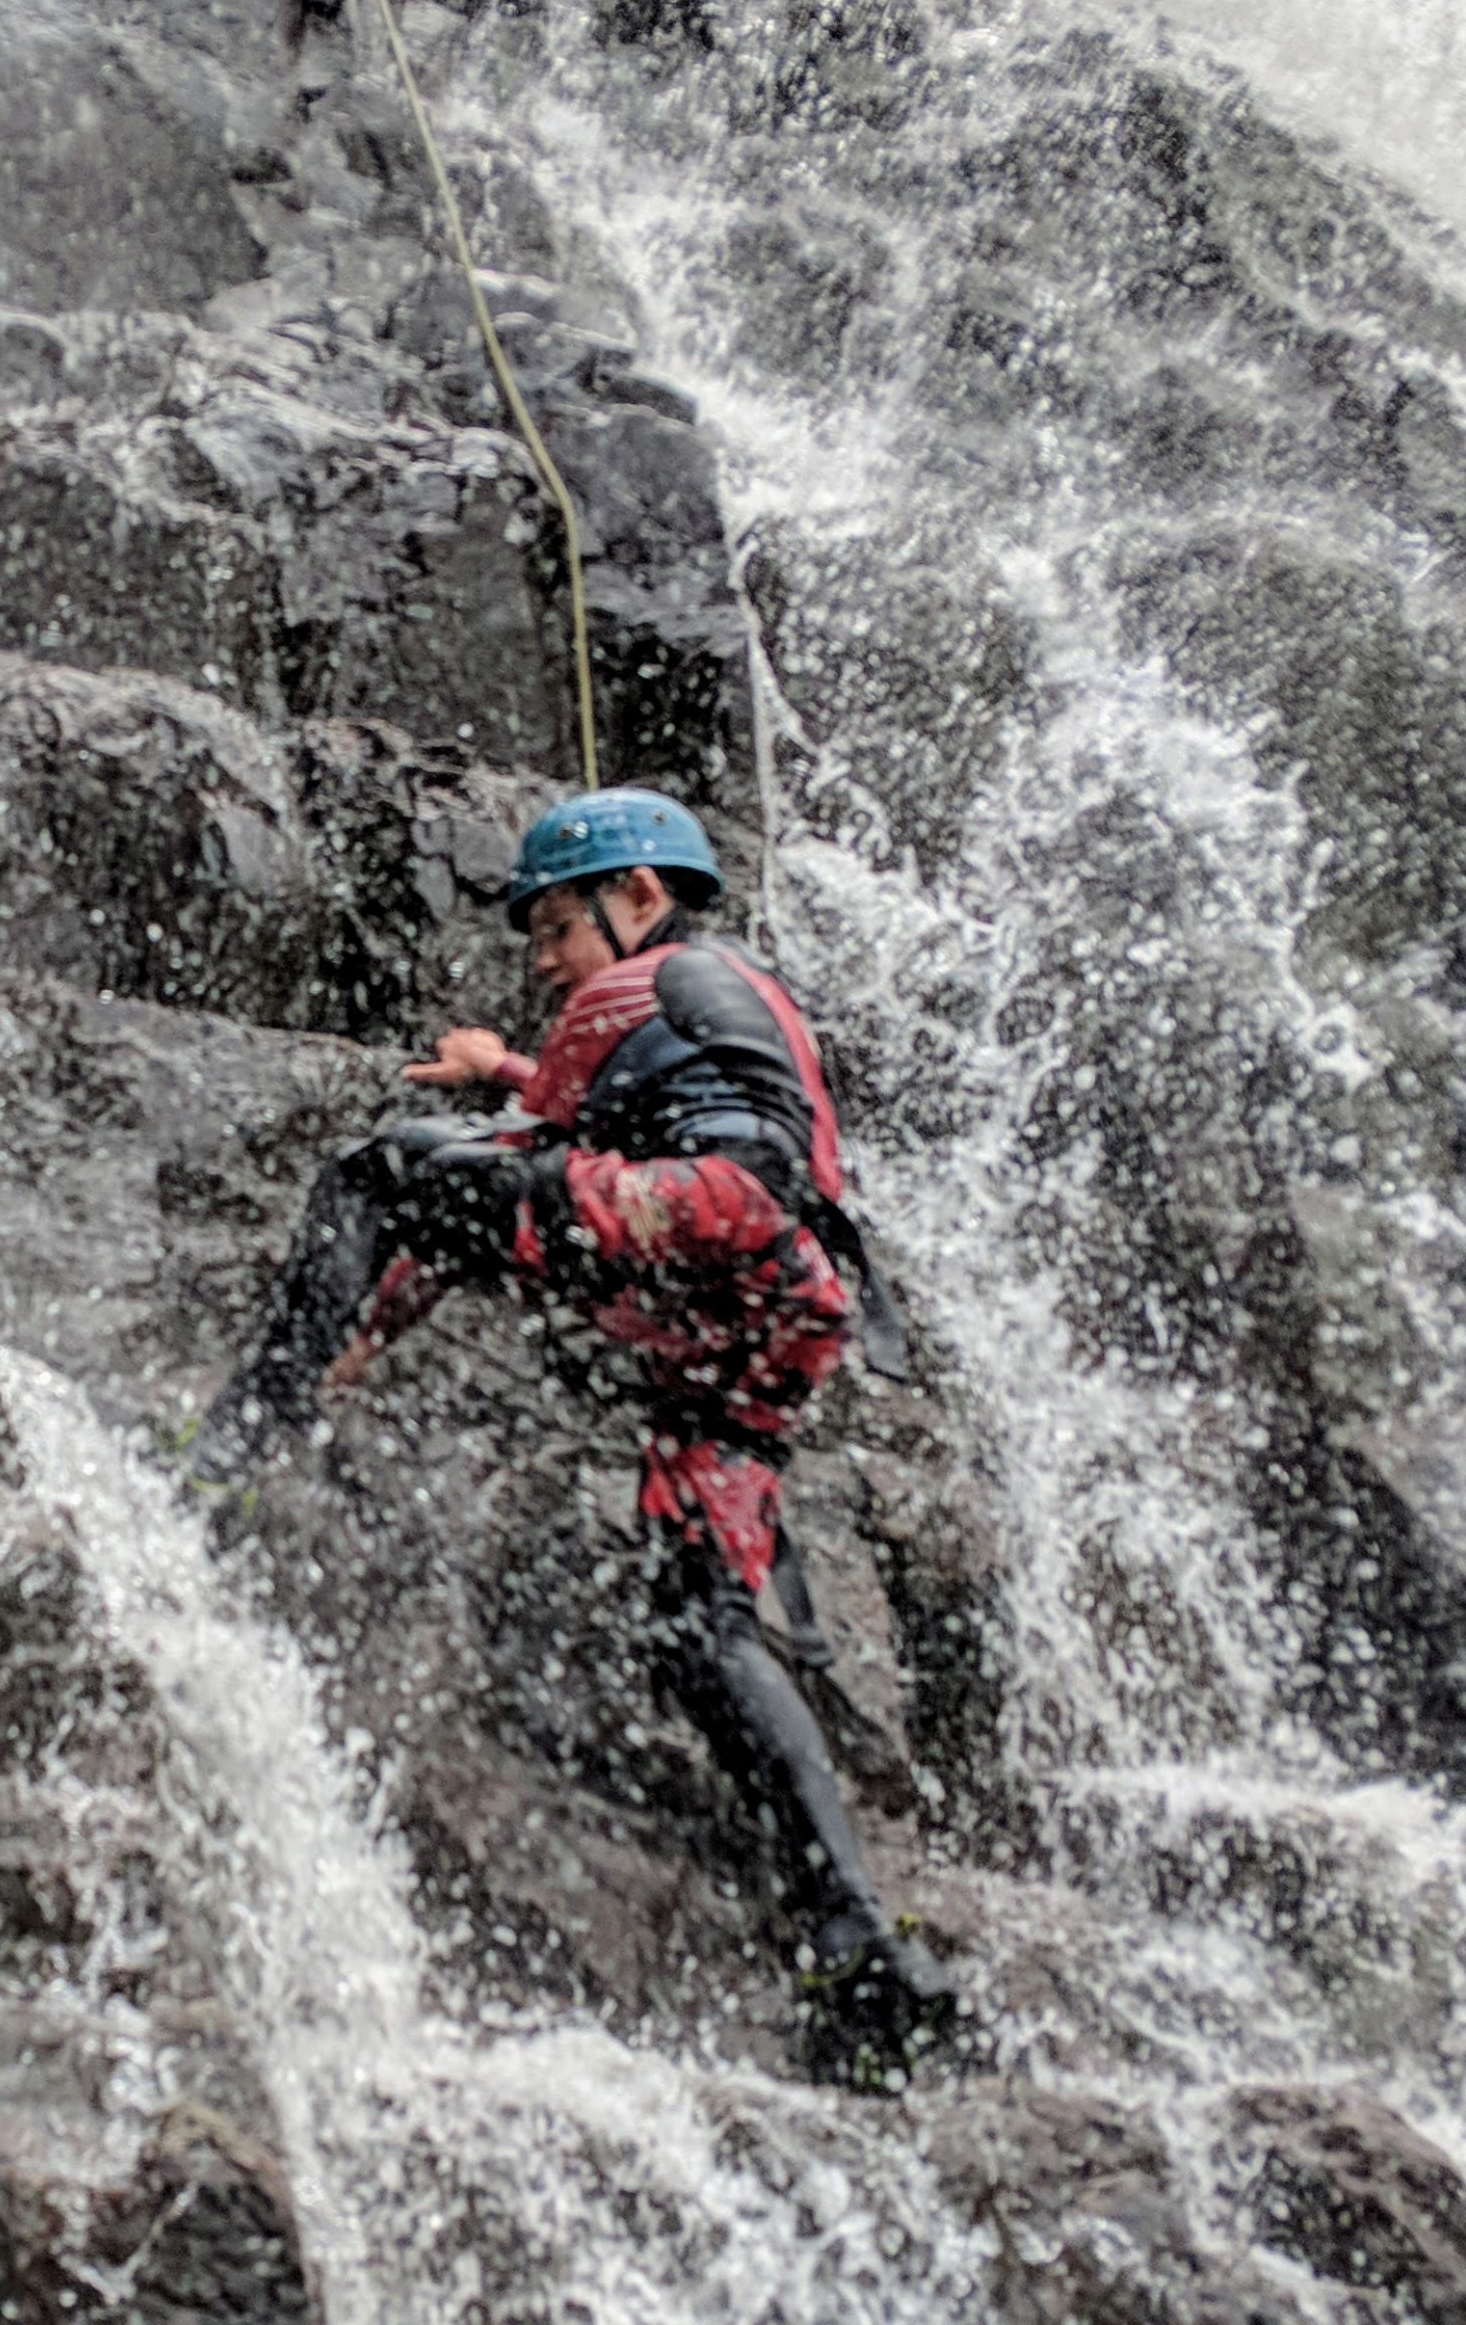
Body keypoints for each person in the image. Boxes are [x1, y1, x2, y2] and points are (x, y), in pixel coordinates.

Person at [190, 786, 954, 2056]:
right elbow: (562, 1146)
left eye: (555, 926)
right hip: (783, 1302)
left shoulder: (646, 983)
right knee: (696, 1617)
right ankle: (851, 1937)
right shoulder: (731, 1004)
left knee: (379, 1169)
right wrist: (506, 1080)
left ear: (639, 898)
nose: (542, 961)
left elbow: (516, 1154)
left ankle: (224, 1461)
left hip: (691, 1219)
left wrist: (367, 1318)